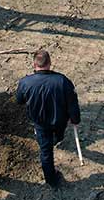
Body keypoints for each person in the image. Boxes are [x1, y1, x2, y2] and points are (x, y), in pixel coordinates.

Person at [15, 50, 81, 188]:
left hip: (40, 123)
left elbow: (19, 100)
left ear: (34, 64)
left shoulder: (25, 82)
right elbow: (72, 103)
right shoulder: (63, 81)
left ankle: (51, 180)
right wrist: (75, 119)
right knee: (58, 136)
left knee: (45, 152)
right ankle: (56, 139)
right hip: (59, 121)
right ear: (50, 63)